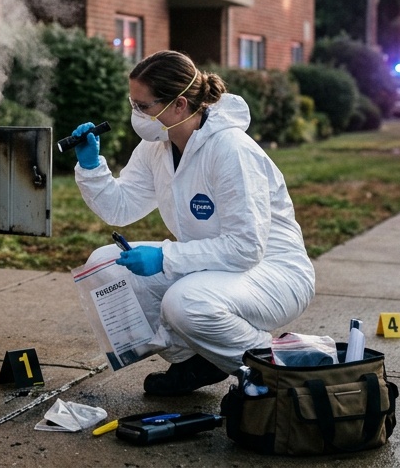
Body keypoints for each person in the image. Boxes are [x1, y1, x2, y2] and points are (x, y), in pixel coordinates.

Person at [69, 50, 314, 396]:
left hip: (274, 273)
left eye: (144, 106)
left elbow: (246, 248)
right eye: (133, 103)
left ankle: (268, 363)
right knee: (104, 266)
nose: (136, 115)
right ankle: (197, 361)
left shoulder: (231, 151)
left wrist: (165, 259)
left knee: (184, 303)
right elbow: (120, 208)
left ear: (180, 105)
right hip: (213, 267)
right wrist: (92, 166)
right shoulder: (156, 147)